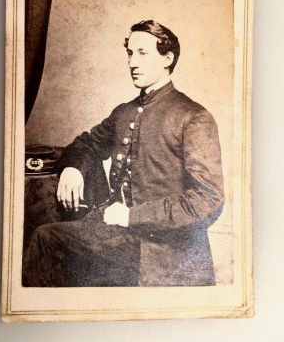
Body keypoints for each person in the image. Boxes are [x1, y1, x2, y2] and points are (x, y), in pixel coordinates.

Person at [23, 20, 224, 287]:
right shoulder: (124, 112)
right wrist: (72, 168)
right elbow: (85, 144)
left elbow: (208, 199)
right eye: (130, 53)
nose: (132, 63)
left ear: (167, 57)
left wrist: (133, 216)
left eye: (142, 53)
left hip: (165, 252)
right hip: (118, 237)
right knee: (45, 238)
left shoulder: (193, 117)